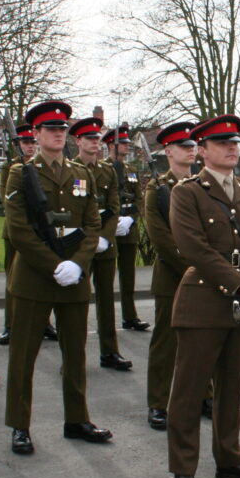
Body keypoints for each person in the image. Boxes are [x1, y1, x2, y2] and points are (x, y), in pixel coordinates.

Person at [166, 114, 240, 478]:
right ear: (203, 150)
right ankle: (183, 468)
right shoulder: (188, 192)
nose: (232, 148)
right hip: (203, 301)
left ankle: (229, 457)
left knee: (232, 384)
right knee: (191, 391)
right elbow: (192, 246)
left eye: (235, 142)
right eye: (222, 142)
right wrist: (237, 282)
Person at [3, 100, 111, 455]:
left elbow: (92, 223)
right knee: (24, 355)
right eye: (50, 129)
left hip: (75, 276)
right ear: (35, 134)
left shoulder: (83, 173)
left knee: (76, 353)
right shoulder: (21, 173)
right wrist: (54, 265)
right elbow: (18, 229)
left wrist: (78, 264)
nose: (57, 134)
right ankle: (20, 425)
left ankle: (77, 419)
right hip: (35, 276)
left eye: (62, 129)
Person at [143, 121, 197, 429]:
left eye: (192, 146)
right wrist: (193, 266)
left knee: (201, 340)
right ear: (168, 151)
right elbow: (159, 237)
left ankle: (204, 394)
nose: (190, 151)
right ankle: (158, 403)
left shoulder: (202, 184)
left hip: (202, 274)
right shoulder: (156, 187)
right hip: (172, 275)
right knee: (165, 343)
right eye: (183, 147)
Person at [72, 118, 130, 371]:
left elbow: (114, 206)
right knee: (77, 303)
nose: (95, 143)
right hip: (79, 245)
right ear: (78, 141)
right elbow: (74, 211)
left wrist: (105, 238)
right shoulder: (71, 169)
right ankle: (74, 355)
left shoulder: (107, 170)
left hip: (105, 245)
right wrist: (90, 240)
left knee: (106, 301)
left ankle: (109, 351)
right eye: (90, 139)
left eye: (97, 139)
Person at [0, 124, 45, 346]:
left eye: (32, 142)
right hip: (16, 232)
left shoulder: (42, 165)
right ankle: (10, 324)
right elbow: (9, 199)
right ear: (18, 145)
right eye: (25, 143)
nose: (29, 146)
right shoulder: (11, 168)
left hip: (41, 230)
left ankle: (44, 322)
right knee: (13, 280)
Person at [104, 125, 149, 331]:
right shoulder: (103, 168)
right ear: (110, 145)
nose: (126, 146)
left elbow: (139, 199)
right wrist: (112, 223)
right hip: (107, 227)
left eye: (127, 143)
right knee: (104, 276)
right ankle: (107, 320)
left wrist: (130, 219)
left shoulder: (131, 170)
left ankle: (130, 315)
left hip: (128, 226)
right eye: (122, 143)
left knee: (128, 275)